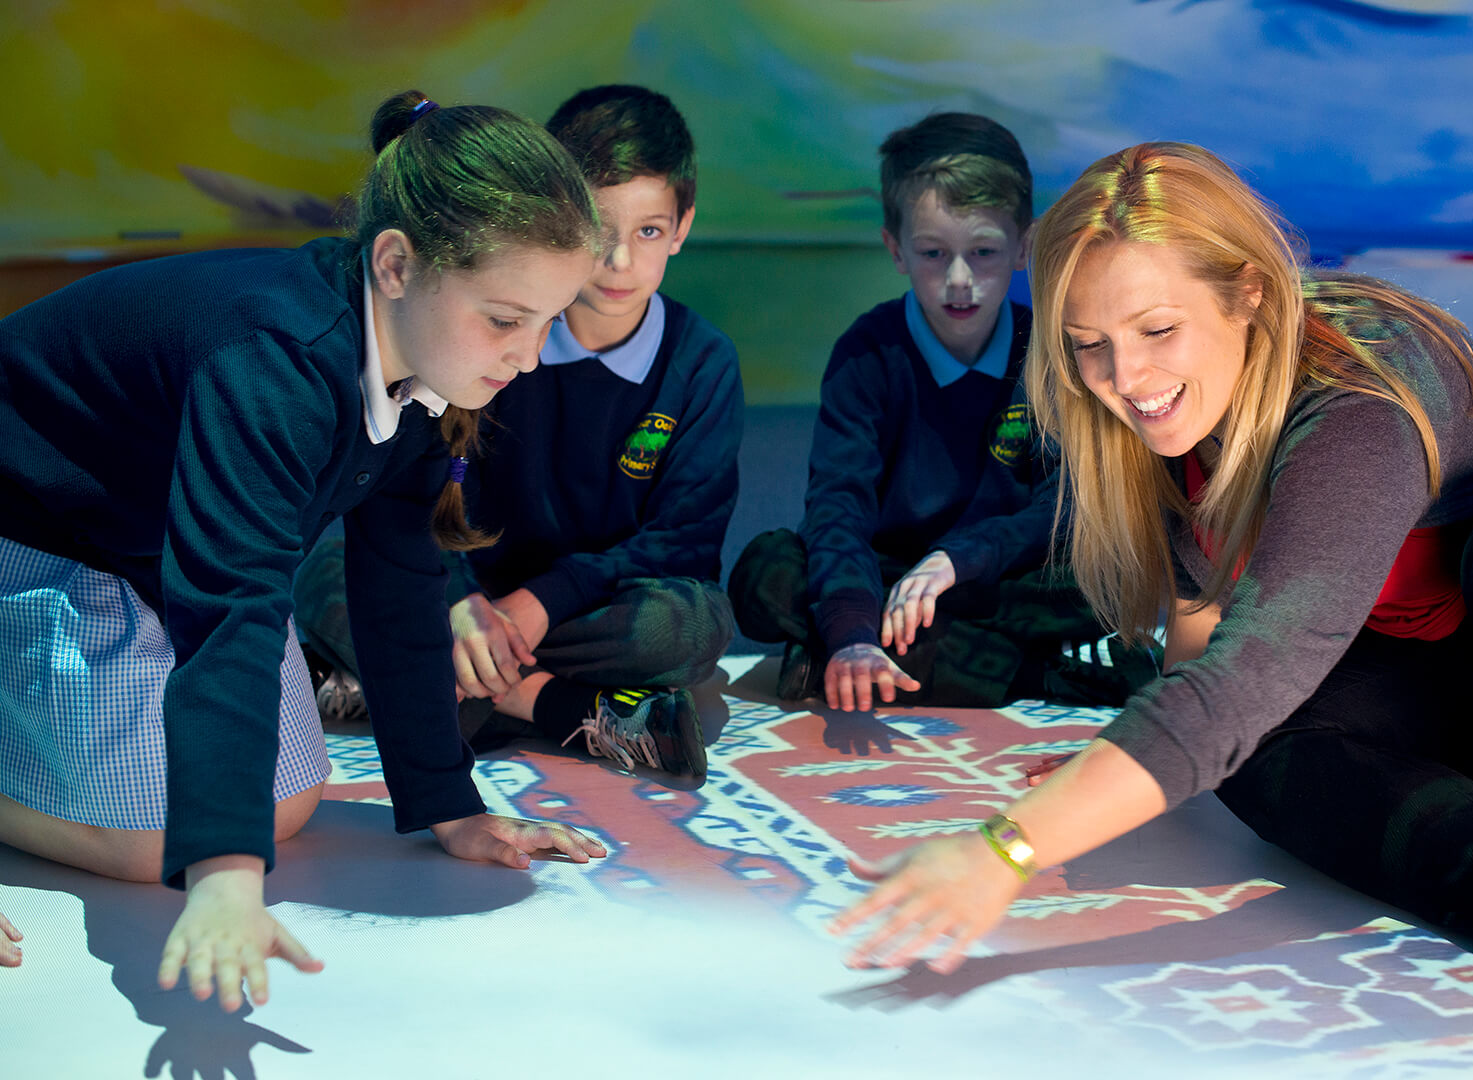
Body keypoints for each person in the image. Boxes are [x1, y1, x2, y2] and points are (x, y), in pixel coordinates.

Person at [829, 143, 1473, 1070]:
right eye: (1089, 346)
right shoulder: (1161, 427)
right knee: (1249, 744)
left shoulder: (1360, 382)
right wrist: (1131, 760)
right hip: (1436, 668)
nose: (1125, 380)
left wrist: (1011, 847)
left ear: (1249, 294)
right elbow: (1205, 658)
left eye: (1157, 330)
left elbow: (1252, 667)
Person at [0, 91, 609, 1011]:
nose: (526, 358)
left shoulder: (419, 360)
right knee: (157, 843)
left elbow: (400, 578)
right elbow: (233, 603)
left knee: (289, 796)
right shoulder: (275, 359)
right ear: (397, 264)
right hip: (34, 531)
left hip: (138, 539)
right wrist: (222, 879)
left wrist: (446, 803)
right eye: (503, 319)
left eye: (546, 323)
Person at [294, 84, 741, 789]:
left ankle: (402, 680)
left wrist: (540, 605)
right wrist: (461, 600)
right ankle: (554, 707)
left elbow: (685, 538)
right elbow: (421, 492)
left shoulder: (702, 360)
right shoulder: (490, 337)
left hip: (591, 605)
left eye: (648, 231)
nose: (619, 261)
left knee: (691, 626)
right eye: (598, 231)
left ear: (682, 225)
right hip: (473, 591)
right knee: (330, 572)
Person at [728, 112, 1157, 714]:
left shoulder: (1050, 351)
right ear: (895, 249)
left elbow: (1064, 504)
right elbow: (838, 506)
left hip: (990, 572)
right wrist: (851, 631)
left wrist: (958, 560)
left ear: (1023, 247)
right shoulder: (867, 353)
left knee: (1108, 576)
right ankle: (1009, 669)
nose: (959, 281)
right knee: (765, 573)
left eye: (982, 252)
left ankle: (880, 659)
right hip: (887, 574)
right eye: (933, 253)